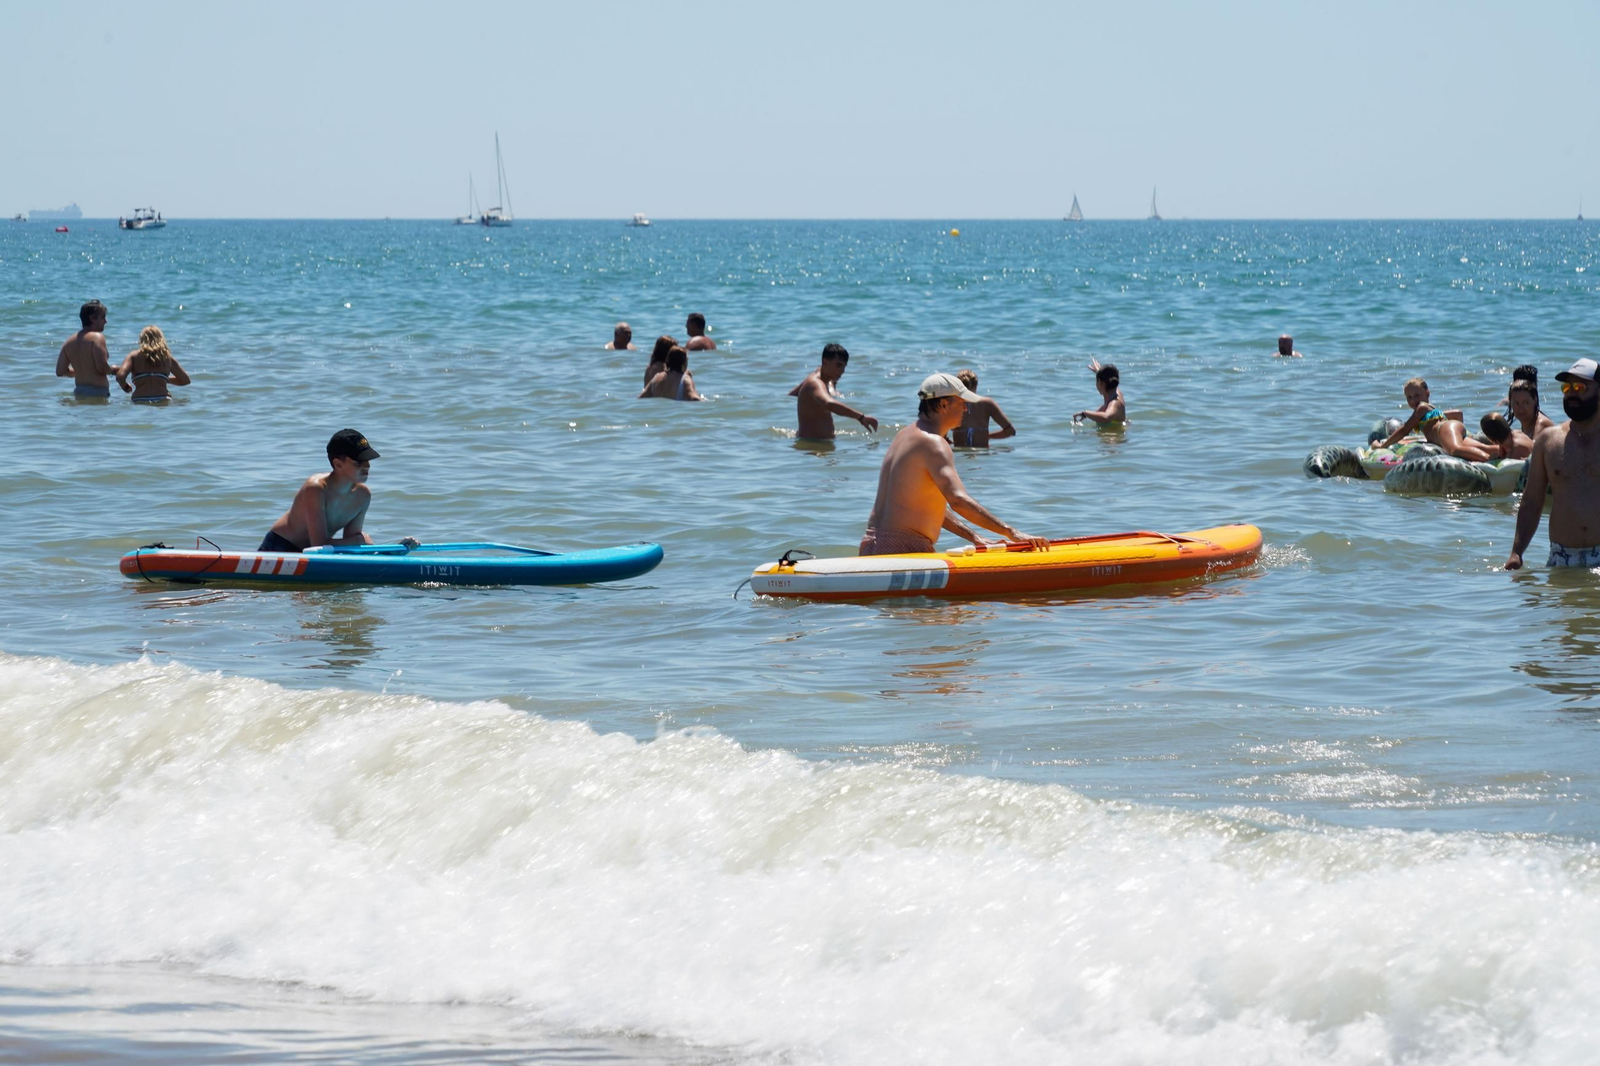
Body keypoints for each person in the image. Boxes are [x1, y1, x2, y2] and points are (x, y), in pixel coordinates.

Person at [858, 373, 1048, 556]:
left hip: (871, 545)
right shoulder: (934, 443)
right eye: (962, 402)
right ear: (943, 404)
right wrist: (1010, 532)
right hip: (905, 549)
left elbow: (921, 504)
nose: (966, 409)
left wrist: (975, 537)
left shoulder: (904, 436)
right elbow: (958, 500)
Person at [1506, 359, 1600, 570]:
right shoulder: (1549, 441)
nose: (1571, 393)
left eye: (1580, 387)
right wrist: (1516, 552)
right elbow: (1531, 502)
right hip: (1561, 557)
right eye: (1567, 387)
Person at [258, 429, 419, 553]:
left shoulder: (363, 495)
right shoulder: (316, 488)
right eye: (359, 462)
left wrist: (390, 551)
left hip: (316, 553)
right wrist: (361, 540)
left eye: (368, 460)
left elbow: (351, 543)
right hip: (280, 548)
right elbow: (319, 545)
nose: (367, 466)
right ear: (338, 464)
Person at [1374, 377, 1498, 461]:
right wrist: (1456, 433)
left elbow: (1404, 430)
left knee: (1454, 450)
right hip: (1449, 430)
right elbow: (1458, 414)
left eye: (1417, 395)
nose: (1413, 401)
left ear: (1427, 393)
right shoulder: (1431, 411)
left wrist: (1382, 446)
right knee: (1484, 447)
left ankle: (1487, 461)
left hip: (1444, 430)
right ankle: (1507, 452)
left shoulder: (1422, 408)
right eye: (1409, 397)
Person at [788, 343, 878, 440]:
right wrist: (860, 417)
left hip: (817, 445)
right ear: (825, 362)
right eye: (838, 365)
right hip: (813, 446)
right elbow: (828, 403)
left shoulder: (820, 374)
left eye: (844, 366)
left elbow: (793, 394)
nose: (842, 371)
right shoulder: (815, 383)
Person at [54, 299, 117, 398]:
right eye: (103, 317)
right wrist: (115, 371)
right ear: (92, 318)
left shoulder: (69, 341)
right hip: (98, 392)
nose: (105, 321)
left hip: (79, 391)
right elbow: (101, 367)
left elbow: (60, 371)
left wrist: (81, 371)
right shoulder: (97, 337)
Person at [115, 325, 190, 403]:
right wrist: (162, 378)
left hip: (140, 399)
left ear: (142, 340)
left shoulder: (133, 356)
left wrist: (125, 386)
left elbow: (120, 376)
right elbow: (185, 380)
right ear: (161, 339)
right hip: (163, 399)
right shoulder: (167, 357)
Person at [952, 369, 1015, 447]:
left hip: (960, 456)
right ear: (976, 386)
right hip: (983, 456)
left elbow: (938, 433)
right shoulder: (987, 403)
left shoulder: (951, 404)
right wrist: (987, 436)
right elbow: (1010, 431)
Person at [639, 347, 704, 401]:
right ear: (684, 363)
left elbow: (641, 398)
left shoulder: (656, 378)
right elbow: (694, 398)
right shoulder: (685, 379)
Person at [1074, 360, 1126, 426]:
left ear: (1101, 383)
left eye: (1097, 382)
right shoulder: (1116, 391)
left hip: (1113, 435)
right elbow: (1108, 378)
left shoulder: (1114, 403)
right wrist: (1098, 371)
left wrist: (1085, 413)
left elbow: (1106, 417)